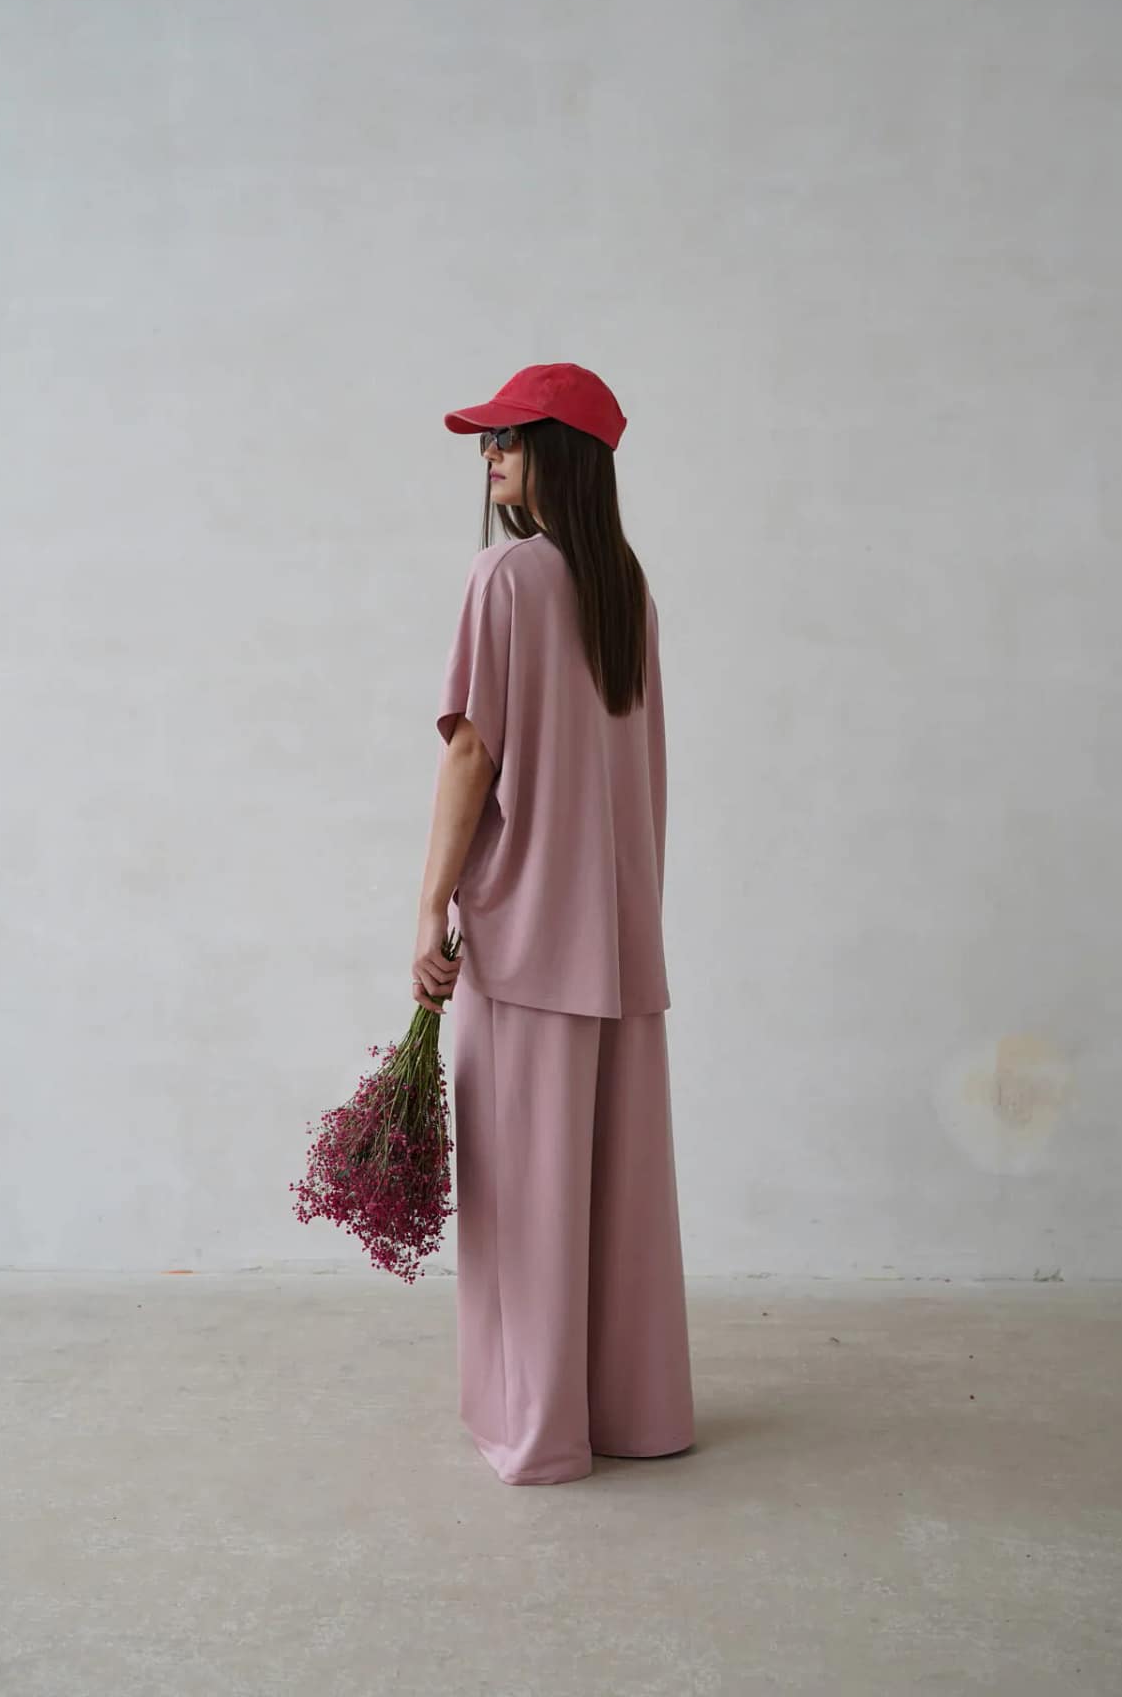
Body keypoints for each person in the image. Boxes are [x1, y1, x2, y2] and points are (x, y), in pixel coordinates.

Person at [413, 362, 695, 1486]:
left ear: (561, 455)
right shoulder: (627, 590)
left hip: (528, 937)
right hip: (618, 940)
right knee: (619, 1202)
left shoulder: (506, 577)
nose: (490, 457)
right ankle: (636, 1415)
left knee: (526, 1202)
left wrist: (428, 904)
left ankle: (537, 1434)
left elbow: (470, 754)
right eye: (488, 441)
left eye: (510, 438)